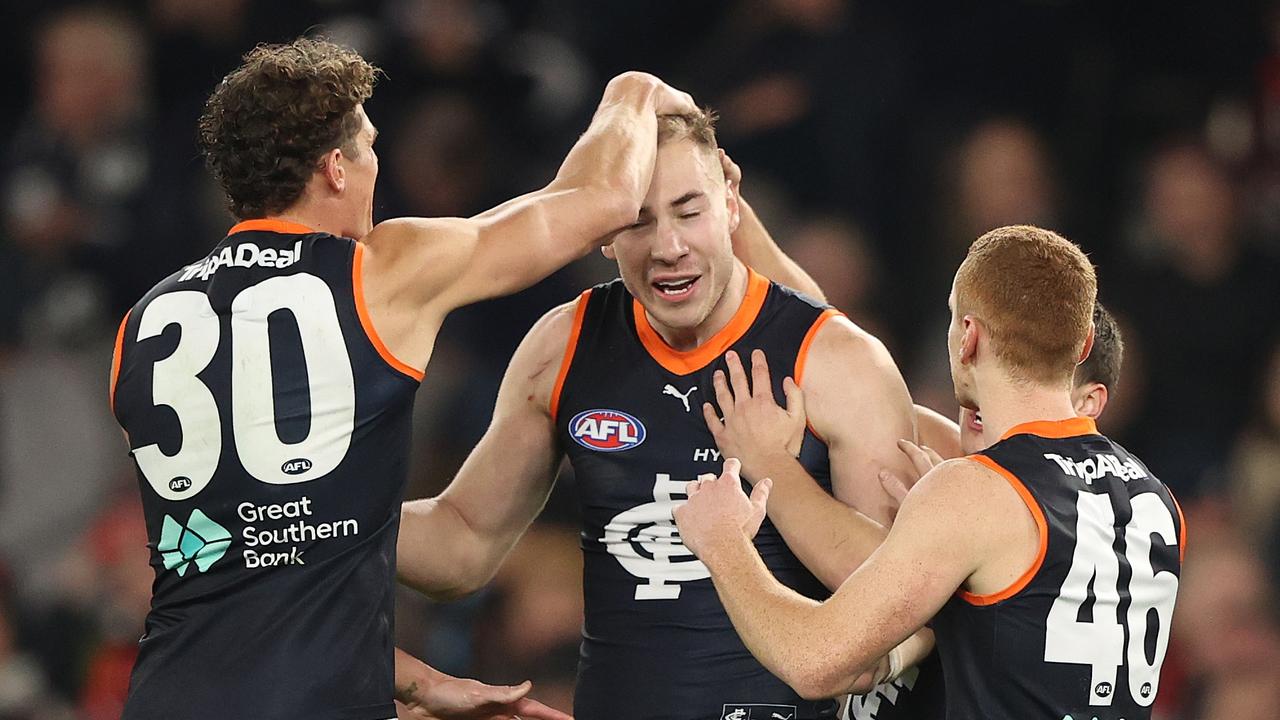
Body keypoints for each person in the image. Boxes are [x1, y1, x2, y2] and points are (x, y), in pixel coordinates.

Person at [108, 36, 695, 720]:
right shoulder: (381, 271)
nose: (376, 167)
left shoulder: (140, 326)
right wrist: (636, 89)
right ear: (334, 167)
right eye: (369, 147)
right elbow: (600, 198)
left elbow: (243, 585)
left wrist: (421, 683)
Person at [396, 109, 919, 719]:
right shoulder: (563, 346)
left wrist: (775, 472)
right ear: (605, 231)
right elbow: (463, 544)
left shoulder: (836, 360)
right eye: (639, 222)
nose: (669, 247)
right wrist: (326, 515)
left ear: (731, 201)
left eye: (689, 211)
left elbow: (894, 599)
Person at [675, 225, 1186, 720]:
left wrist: (724, 542)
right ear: (1083, 345)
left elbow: (813, 663)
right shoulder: (1155, 497)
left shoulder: (977, 491)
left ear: (968, 337)